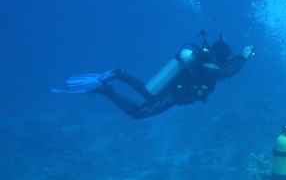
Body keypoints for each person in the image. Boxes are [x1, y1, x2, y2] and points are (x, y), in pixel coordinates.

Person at [53, 34, 254, 119]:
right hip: (174, 94)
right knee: (138, 113)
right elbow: (228, 71)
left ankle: (119, 75)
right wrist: (244, 56)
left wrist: (239, 58)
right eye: (227, 57)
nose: (227, 60)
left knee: (148, 92)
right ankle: (106, 89)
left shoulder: (206, 63)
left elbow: (227, 69)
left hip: (174, 89)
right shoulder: (209, 66)